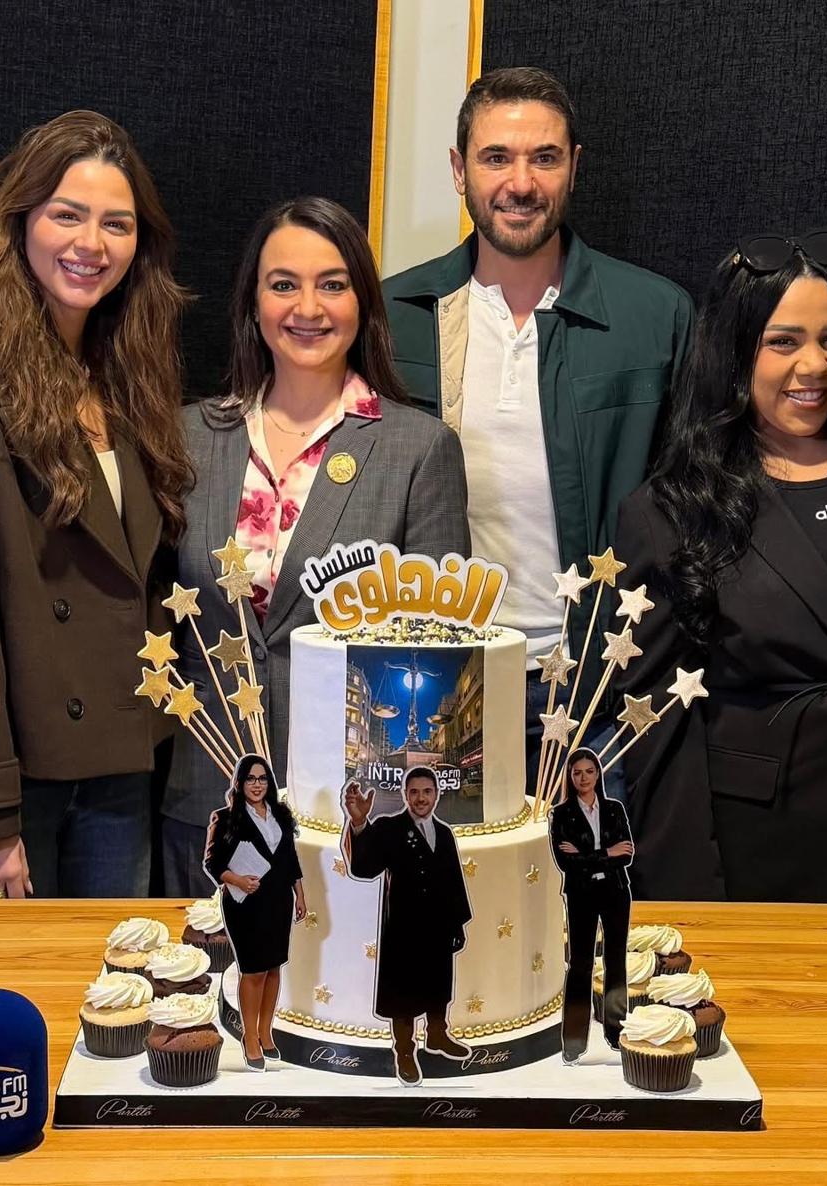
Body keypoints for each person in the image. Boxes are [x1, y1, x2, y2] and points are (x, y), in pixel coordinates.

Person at [0, 112, 190, 899]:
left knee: (113, 980)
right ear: (20, 220)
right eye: (67, 215)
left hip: (115, 771)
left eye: (116, 224)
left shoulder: (125, 376)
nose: (92, 243)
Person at [383, 67, 693, 792]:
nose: (519, 183)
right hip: (437, 693)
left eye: (543, 157)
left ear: (574, 167)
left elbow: (695, 508)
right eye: (496, 157)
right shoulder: (394, 315)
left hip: (601, 697)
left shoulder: (656, 318)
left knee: (600, 870)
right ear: (459, 170)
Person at [161, 196, 469, 896]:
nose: (308, 307)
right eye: (283, 284)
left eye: (333, 284)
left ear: (363, 303)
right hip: (204, 801)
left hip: (350, 813)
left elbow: (436, 654)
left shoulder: (419, 450)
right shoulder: (185, 440)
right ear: (253, 302)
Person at [617, 230, 827, 904]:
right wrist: (691, 901)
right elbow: (656, 733)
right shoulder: (670, 509)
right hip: (765, 855)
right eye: (784, 341)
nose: (814, 365)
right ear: (736, 352)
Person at [342, 767, 472, 1085]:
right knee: (403, 995)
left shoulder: (444, 832)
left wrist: (458, 923)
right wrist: (358, 822)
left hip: (438, 926)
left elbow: (454, 881)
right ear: (405, 795)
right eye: (414, 792)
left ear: (437, 794)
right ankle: (404, 1051)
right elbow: (363, 868)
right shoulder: (389, 828)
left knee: (438, 985)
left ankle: (437, 1035)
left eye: (427, 791)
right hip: (403, 929)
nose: (421, 798)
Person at [203, 754, 306, 1070]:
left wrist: (300, 895)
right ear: (240, 782)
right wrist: (237, 880)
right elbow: (213, 863)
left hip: (279, 901)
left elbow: (290, 859)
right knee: (254, 971)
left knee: (273, 968)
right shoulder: (226, 818)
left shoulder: (281, 814)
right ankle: (249, 1037)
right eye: (250, 778)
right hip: (246, 904)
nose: (257, 784)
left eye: (262, 779)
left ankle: (265, 1032)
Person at [548, 747, 634, 1062]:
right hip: (581, 895)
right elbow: (565, 862)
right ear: (570, 777)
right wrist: (607, 853)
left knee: (616, 961)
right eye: (577, 773)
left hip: (616, 891)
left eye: (589, 771)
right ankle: (573, 1041)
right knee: (581, 965)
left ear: (598, 774)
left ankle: (616, 1030)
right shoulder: (561, 814)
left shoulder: (614, 809)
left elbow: (627, 854)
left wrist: (588, 856)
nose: (583, 778)